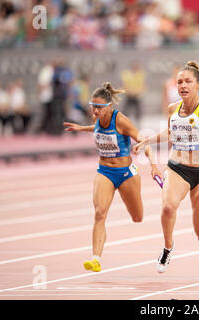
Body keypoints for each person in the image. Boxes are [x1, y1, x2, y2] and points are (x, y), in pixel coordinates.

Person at [133, 61, 199, 286]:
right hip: (177, 168)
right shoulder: (174, 108)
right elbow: (172, 132)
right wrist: (148, 139)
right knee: (167, 206)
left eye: (187, 81)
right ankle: (168, 247)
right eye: (179, 81)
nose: (182, 85)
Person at [63, 82, 161, 273]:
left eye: (98, 107)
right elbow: (97, 128)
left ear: (109, 107)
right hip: (104, 172)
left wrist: (154, 165)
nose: (95, 110)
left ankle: (134, 206)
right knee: (100, 214)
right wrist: (81, 128)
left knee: (137, 217)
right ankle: (96, 258)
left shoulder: (121, 120)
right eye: (93, 106)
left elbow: (144, 142)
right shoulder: (98, 119)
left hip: (125, 174)